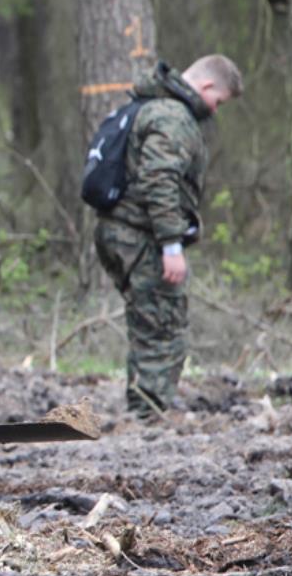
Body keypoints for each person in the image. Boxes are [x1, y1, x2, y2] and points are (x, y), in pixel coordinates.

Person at [91, 55, 242, 418]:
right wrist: (171, 245)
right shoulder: (172, 117)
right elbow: (159, 179)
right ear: (206, 86)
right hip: (140, 236)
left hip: (120, 231)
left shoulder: (148, 105)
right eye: (218, 101)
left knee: (149, 322)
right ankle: (148, 413)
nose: (215, 110)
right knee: (163, 327)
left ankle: (144, 406)